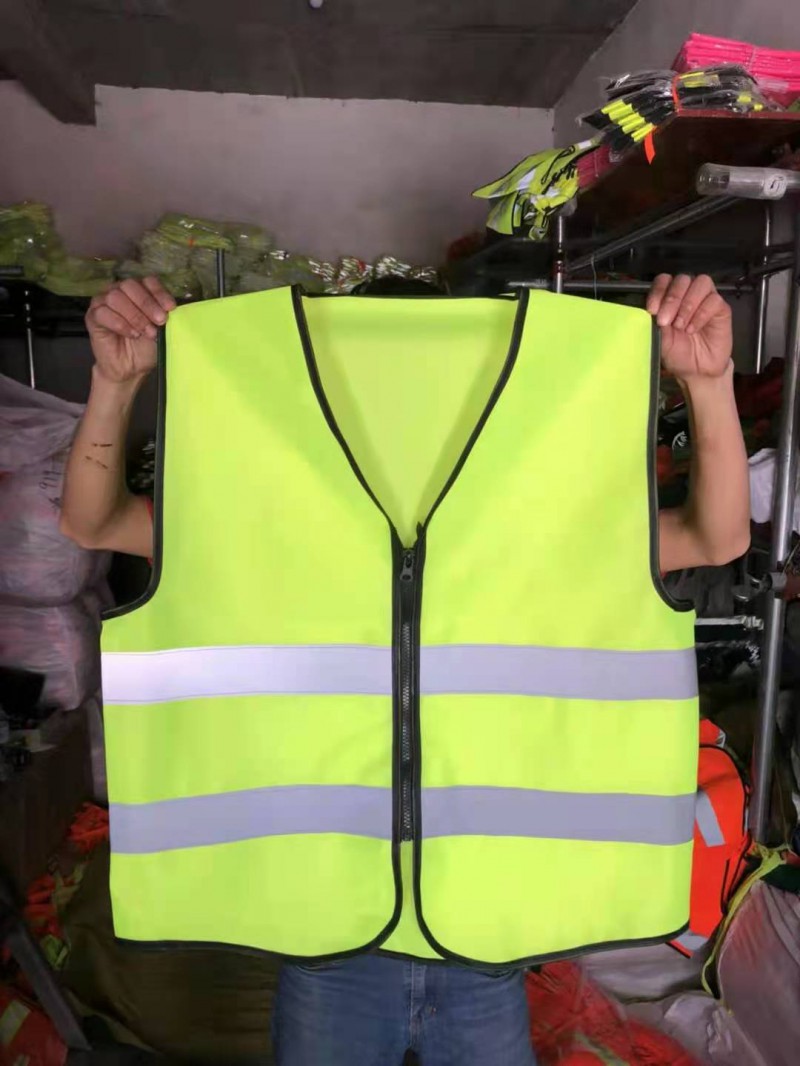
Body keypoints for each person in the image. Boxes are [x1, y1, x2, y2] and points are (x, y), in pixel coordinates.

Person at [61, 273, 750, 1066]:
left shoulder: (542, 524)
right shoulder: (265, 516)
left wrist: (708, 382)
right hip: (326, 941)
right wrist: (116, 384)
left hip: (490, 935)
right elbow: (93, 520)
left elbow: (719, 536)